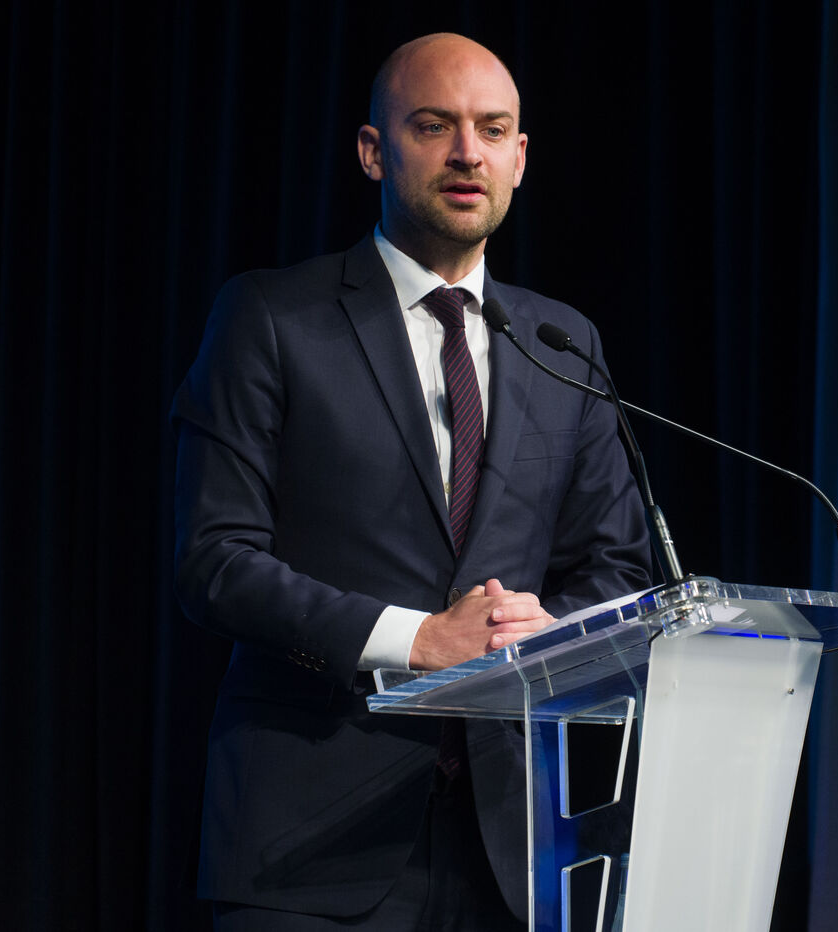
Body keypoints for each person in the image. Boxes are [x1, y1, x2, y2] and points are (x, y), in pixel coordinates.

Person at [172, 32, 652, 930]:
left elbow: (616, 567)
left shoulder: (562, 342)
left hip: (511, 853)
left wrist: (542, 637)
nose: (468, 152)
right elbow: (215, 561)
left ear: (520, 158)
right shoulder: (272, 317)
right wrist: (420, 639)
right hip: (308, 848)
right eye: (434, 126)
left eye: (492, 129)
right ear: (372, 150)